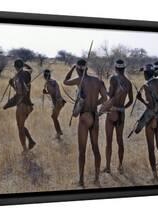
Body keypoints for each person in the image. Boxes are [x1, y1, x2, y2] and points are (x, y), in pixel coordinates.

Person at [63, 59, 107, 187]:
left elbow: (65, 81)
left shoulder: (79, 80)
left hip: (84, 117)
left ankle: (81, 180)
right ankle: (97, 178)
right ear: (87, 69)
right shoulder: (98, 81)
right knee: (95, 148)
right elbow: (105, 98)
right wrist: (95, 104)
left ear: (78, 69)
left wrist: (72, 68)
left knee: (82, 151)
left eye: (77, 69)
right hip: (95, 116)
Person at [135, 63, 158, 182]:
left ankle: (155, 176)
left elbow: (150, 105)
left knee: (151, 148)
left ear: (146, 74)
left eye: (144, 73)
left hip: (151, 121)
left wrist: (141, 99)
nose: (144, 75)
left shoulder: (146, 85)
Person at [103, 59, 133, 174]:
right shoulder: (128, 82)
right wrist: (122, 108)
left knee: (109, 141)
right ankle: (120, 166)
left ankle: (107, 167)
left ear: (116, 68)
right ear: (124, 68)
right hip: (121, 113)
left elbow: (110, 95)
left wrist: (104, 90)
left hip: (111, 112)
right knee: (120, 140)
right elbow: (130, 100)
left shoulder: (113, 78)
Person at [3, 59, 36, 152]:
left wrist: (9, 104)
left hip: (22, 105)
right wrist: (13, 84)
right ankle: (31, 141)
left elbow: (20, 92)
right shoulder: (26, 73)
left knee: (20, 128)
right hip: (28, 105)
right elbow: (30, 70)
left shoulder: (19, 76)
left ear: (15, 67)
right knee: (20, 125)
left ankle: (25, 149)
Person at [42, 69, 66, 138]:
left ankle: (59, 132)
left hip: (58, 102)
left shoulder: (49, 83)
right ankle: (58, 133)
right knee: (54, 117)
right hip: (59, 102)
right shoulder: (53, 81)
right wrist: (46, 92)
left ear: (44, 76)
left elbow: (52, 92)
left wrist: (45, 92)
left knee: (54, 117)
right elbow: (54, 92)